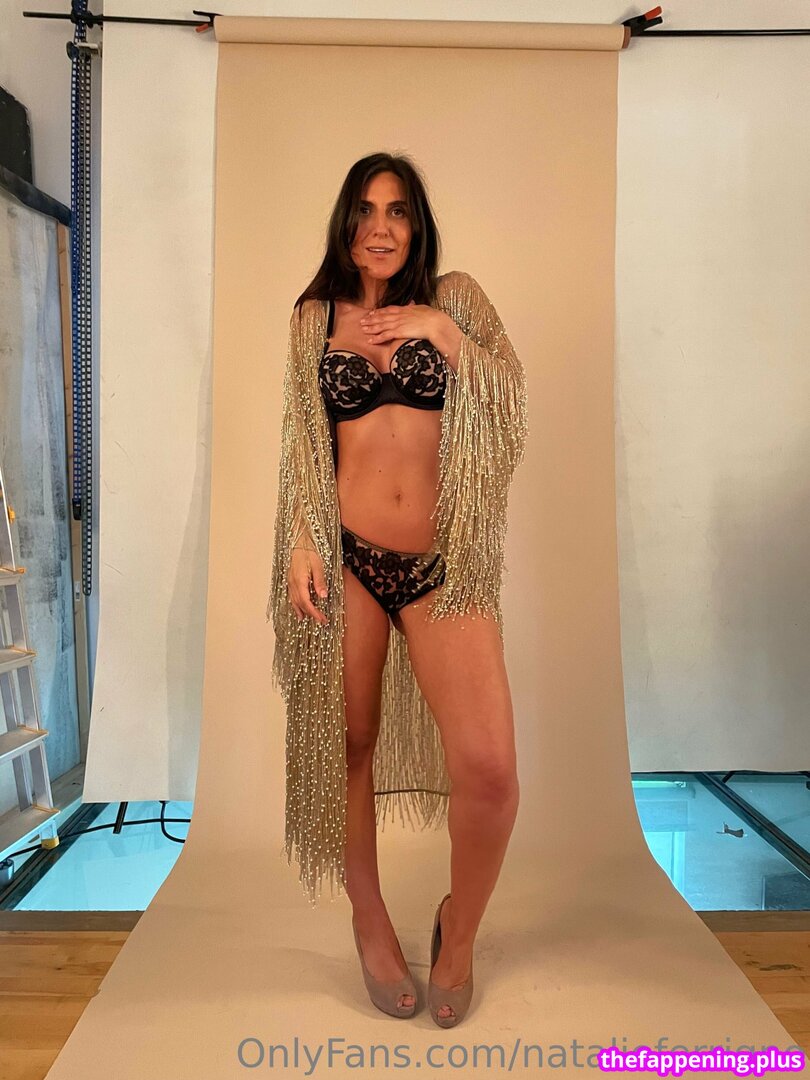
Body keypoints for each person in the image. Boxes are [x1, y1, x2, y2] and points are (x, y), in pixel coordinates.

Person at [267, 152, 528, 1027]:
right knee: (348, 746)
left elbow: (511, 400)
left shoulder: (456, 299)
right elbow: (302, 442)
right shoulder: (313, 319)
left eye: (399, 211)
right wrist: (301, 540)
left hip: (442, 567)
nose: (381, 227)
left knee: (489, 770)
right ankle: (369, 919)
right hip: (346, 560)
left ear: (417, 226)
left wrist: (442, 334)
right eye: (366, 210)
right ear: (345, 222)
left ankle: (459, 934)